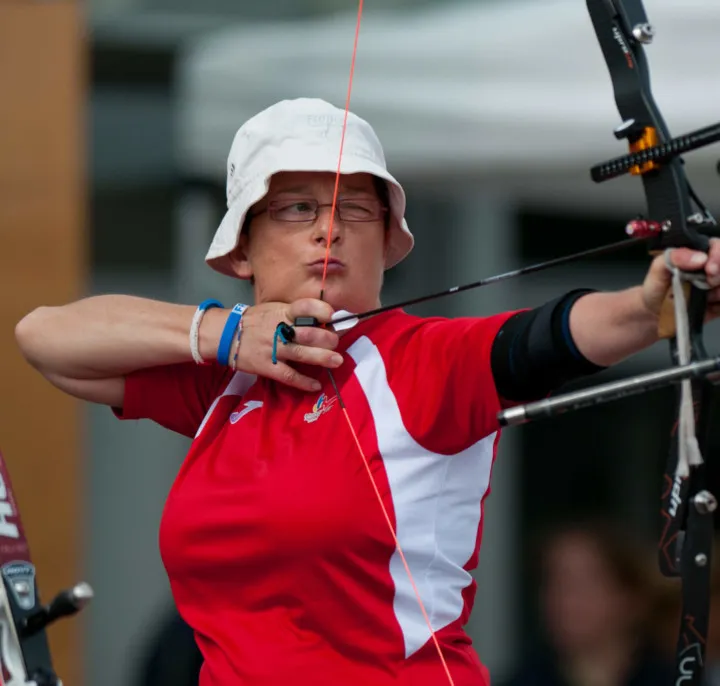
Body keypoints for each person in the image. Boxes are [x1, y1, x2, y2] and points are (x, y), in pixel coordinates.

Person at [13, 97, 720, 686]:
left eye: (356, 210)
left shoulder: (420, 362)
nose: (329, 227)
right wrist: (226, 336)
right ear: (242, 251)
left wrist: (650, 305)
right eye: (295, 208)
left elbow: (547, 337)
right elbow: (44, 337)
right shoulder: (223, 379)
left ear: (385, 241)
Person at [502, 522, 673, 686]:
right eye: (553, 583)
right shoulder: (524, 681)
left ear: (630, 598)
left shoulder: (678, 679)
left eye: (583, 584)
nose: (563, 600)